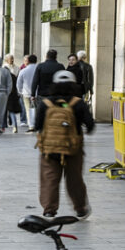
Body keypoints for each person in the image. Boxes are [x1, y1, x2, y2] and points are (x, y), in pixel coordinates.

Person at [36, 67, 92, 219]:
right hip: (73, 148)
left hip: (49, 149)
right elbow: (90, 124)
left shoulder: (46, 103)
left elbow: (37, 125)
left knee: (49, 178)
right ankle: (80, 208)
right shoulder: (78, 103)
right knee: (74, 179)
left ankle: (49, 209)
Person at [13, 56, 36, 132]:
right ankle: (36, 123)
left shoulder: (23, 71)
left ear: (28, 61)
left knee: (28, 109)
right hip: (36, 93)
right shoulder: (38, 69)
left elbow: (18, 83)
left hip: (26, 93)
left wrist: (20, 91)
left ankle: (31, 125)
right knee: (36, 109)